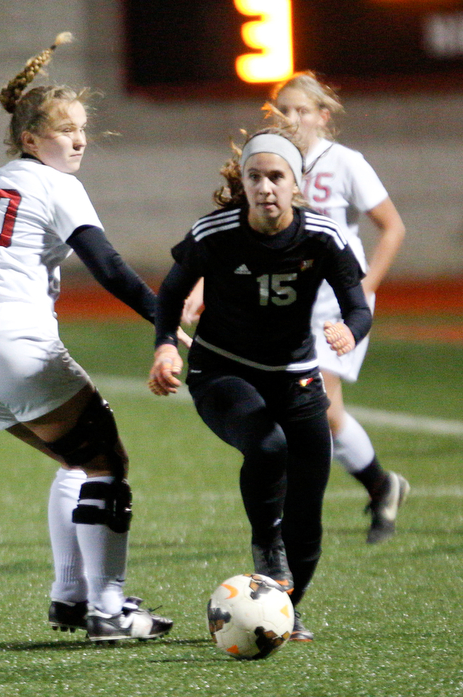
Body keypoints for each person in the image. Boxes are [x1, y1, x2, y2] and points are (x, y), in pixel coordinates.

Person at [0, 33, 180, 642]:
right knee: (107, 465)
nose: (81, 140)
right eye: (67, 130)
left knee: (77, 461)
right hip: (15, 341)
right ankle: (108, 611)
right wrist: (165, 323)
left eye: (84, 128)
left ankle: (71, 596)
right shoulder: (56, 185)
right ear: (31, 139)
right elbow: (109, 268)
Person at [148, 126, 373, 641]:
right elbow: (170, 292)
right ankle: (265, 546)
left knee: (309, 512)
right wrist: (165, 344)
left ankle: (285, 612)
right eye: (255, 177)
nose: (265, 187)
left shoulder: (323, 237)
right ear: (244, 184)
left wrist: (348, 331)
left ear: (297, 185)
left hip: (295, 378)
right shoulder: (215, 233)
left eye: (276, 176)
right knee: (268, 447)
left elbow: (358, 308)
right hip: (222, 370)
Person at [271, 71, 409, 544]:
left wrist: (363, 289)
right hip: (291, 300)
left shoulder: (345, 162)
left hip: (336, 303)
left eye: (300, 110)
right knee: (305, 405)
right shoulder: (272, 162)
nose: (290, 118)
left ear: (323, 117)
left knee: (318, 401)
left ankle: (293, 514)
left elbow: (392, 227)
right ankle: (381, 485)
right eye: (281, 109)